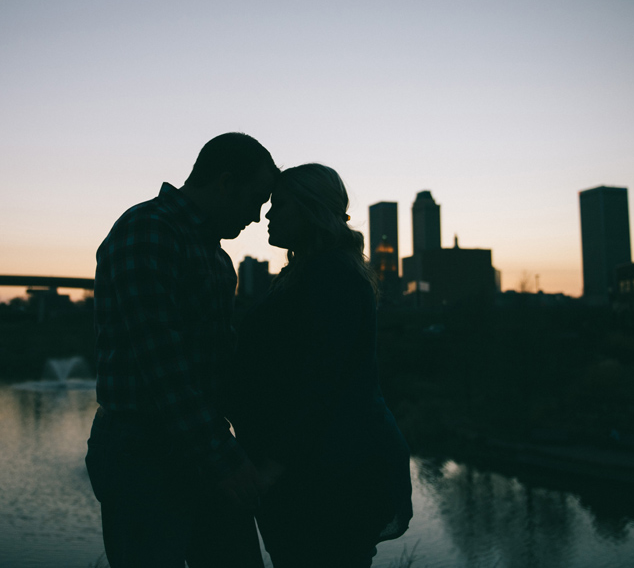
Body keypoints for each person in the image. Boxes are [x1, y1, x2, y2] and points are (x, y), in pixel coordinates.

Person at [86, 133, 277, 568]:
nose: (256, 216)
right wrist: (227, 461)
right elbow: (162, 364)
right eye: (255, 199)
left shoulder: (215, 255)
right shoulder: (149, 230)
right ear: (226, 182)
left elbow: (218, 361)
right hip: (142, 453)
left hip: (197, 442)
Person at [225, 163, 413, 568]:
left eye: (281, 205)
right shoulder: (307, 274)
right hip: (314, 472)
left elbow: (321, 383)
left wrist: (272, 467)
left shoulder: (332, 278)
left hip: (330, 479)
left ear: (310, 210)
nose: (269, 215)